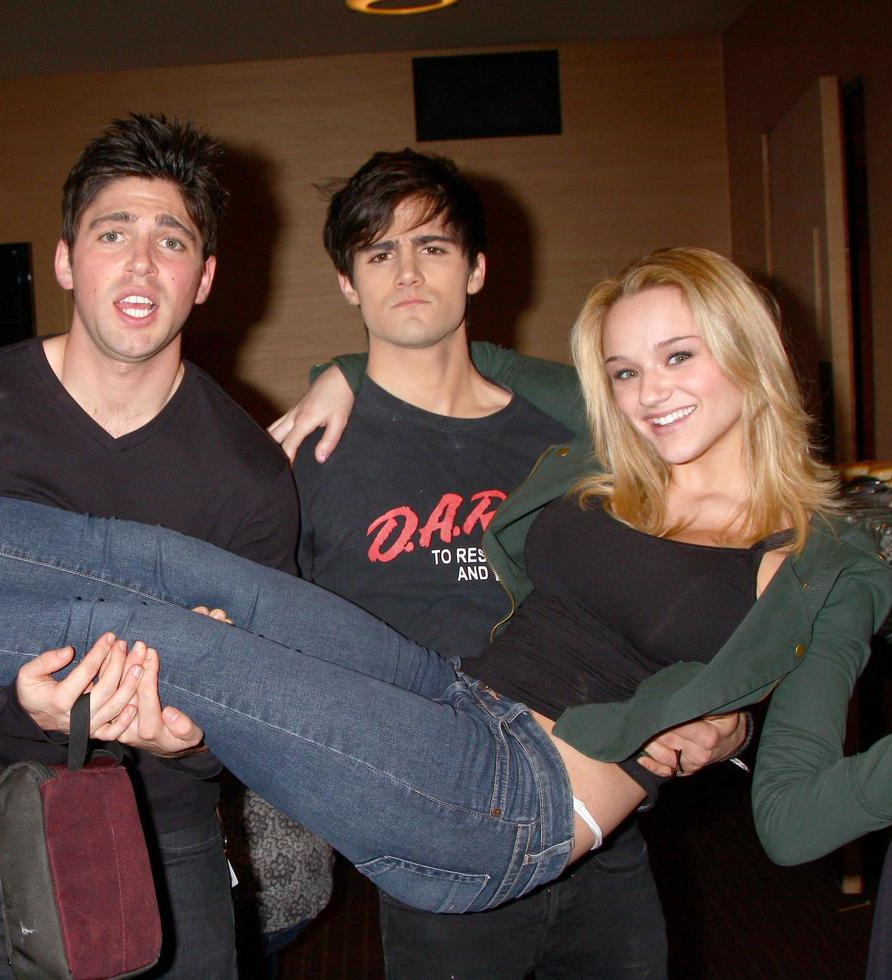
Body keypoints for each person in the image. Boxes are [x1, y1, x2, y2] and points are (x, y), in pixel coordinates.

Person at [0, 247, 892, 923]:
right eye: (629, 367)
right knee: (153, 558)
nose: (651, 393)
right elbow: (459, 364)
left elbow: (795, 818)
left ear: (742, 357)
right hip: (456, 703)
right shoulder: (618, 457)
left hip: (511, 804)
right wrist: (342, 375)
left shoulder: (818, 563)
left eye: (679, 360)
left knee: (150, 629)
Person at [275, 150, 746, 977]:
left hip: (606, 830)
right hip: (441, 849)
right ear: (348, 283)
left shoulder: (574, 442)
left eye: (433, 246)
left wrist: (725, 715)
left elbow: (686, 593)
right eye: (378, 253)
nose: (407, 271)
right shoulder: (307, 458)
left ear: (477, 269)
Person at [0, 114, 304, 978]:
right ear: (67, 260)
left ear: (206, 277)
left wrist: (190, 736)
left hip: (171, 835)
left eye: (172, 239)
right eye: (113, 233)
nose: (142, 263)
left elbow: (263, 689)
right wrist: (20, 703)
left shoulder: (249, 472)